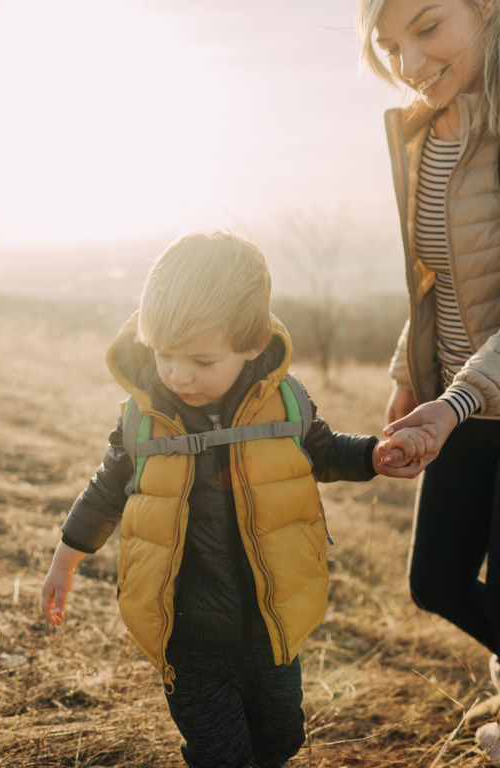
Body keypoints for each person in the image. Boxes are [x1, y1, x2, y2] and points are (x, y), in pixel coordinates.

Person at [40, 231, 415, 768]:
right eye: (164, 354)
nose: (177, 374)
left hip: (273, 624)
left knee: (280, 741)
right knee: (221, 756)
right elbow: (105, 492)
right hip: (187, 635)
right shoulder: (145, 419)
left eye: (201, 359)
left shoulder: (285, 402)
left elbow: (325, 452)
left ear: (253, 344)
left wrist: (374, 456)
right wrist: (65, 558)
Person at [359, 0, 500, 748]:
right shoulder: (421, 132)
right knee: (435, 582)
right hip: (461, 402)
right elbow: (437, 280)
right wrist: (408, 379)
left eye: (427, 26)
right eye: (387, 45)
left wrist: (454, 401)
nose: (408, 64)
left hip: (472, 399)